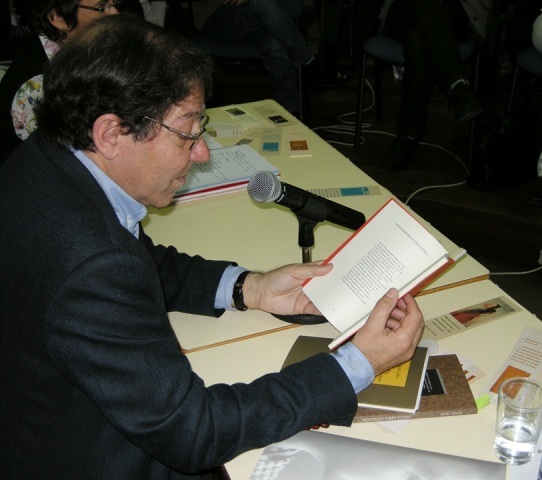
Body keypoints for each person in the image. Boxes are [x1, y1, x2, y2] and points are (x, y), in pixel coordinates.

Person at [0, 15, 424, 479]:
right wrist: (356, 364)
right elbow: (193, 432)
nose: (201, 153)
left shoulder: (47, 158)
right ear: (111, 133)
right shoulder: (93, 261)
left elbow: (137, 258)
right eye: (187, 132)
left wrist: (249, 288)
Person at [376, 0, 492, 173]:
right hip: (404, 11)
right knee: (421, 7)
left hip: (454, 12)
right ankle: (457, 84)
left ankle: (408, 135)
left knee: (418, 40)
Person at [0, 0, 121, 166]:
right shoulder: (36, 88)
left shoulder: (81, 51)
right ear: (57, 17)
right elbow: (72, 164)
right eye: (102, 7)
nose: (114, 13)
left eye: (114, 3)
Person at [192, 0, 315, 115]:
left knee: (274, 47)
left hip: (253, 17)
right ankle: (306, 58)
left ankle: (291, 112)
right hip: (215, 16)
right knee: (263, 5)